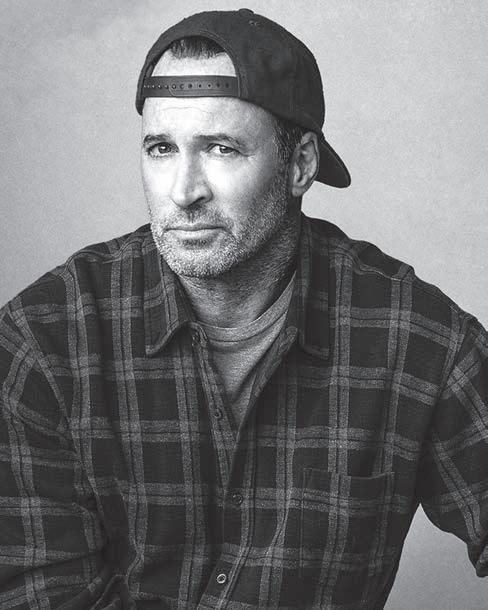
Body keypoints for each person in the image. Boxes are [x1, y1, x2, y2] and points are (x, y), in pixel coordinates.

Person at [0, 7, 487, 610]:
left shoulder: (413, 337)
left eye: (221, 149)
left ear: (300, 165)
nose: (183, 191)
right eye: (161, 149)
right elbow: (38, 594)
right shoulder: (46, 342)